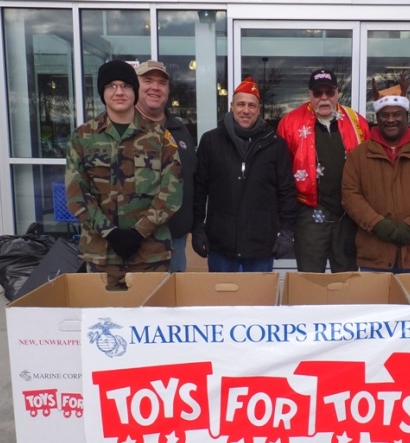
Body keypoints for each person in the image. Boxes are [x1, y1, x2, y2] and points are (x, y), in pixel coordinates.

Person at [65, 59, 183, 288]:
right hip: (101, 256)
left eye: (126, 86)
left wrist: (139, 232)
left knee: (149, 319)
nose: (119, 92)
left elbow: (172, 192)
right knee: (103, 321)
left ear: (134, 91)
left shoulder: (160, 137)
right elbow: (76, 194)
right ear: (103, 92)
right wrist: (110, 233)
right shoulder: (82, 137)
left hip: (150, 255)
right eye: (111, 86)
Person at [341, 75, 410, 274]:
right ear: (377, 118)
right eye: (385, 115)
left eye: (397, 114)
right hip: (374, 254)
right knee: (375, 305)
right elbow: (350, 195)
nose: (391, 120)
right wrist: (378, 225)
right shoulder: (358, 155)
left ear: (406, 116)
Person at [192, 76, 297, 272]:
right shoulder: (210, 141)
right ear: (231, 106)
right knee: (223, 299)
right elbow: (199, 189)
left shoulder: (275, 145)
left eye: (252, 105)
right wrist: (198, 228)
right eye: (241, 104)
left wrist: (287, 231)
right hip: (221, 242)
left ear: (259, 109)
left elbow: (287, 191)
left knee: (258, 301)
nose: (246, 110)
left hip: (261, 244)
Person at [277, 68, 370, 273]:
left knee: (346, 280)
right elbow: (280, 174)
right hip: (308, 213)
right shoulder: (290, 123)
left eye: (330, 92)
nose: (324, 98)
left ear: (337, 93)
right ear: (310, 95)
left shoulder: (357, 122)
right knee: (310, 280)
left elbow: (370, 167)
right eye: (318, 93)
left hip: (348, 214)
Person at [135, 59, 196, 272]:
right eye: (148, 81)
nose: (155, 87)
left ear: (168, 91)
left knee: (172, 300)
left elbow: (191, 178)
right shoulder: (124, 130)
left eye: (161, 83)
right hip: (137, 243)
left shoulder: (180, 131)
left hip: (175, 241)